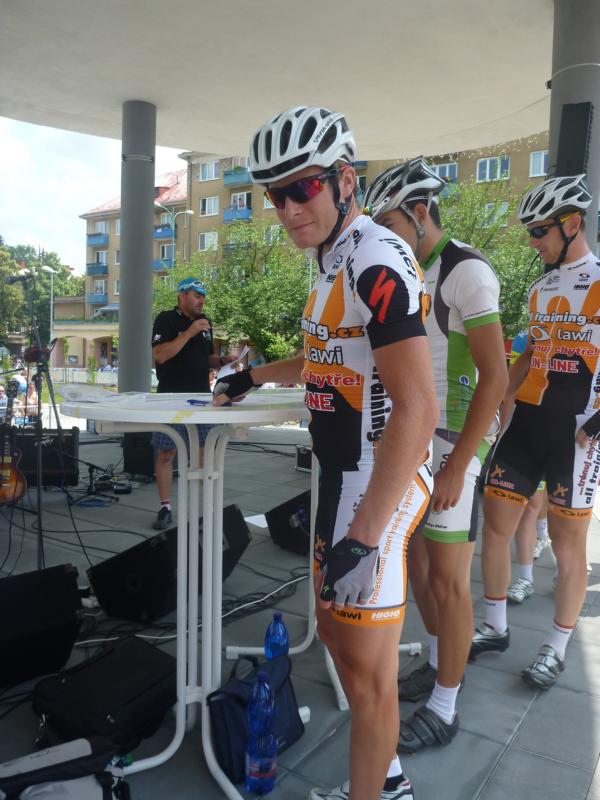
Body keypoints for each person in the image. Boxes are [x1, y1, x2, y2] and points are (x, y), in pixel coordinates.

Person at [213, 106, 438, 800]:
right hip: (339, 480)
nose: (286, 209)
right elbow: (326, 356)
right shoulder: (329, 258)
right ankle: (387, 780)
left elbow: (419, 410)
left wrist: (365, 537)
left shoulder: (376, 258)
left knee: (368, 683)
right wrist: (251, 376)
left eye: (301, 188)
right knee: (340, 643)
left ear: (344, 180)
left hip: (377, 486)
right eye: (274, 194)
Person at [363, 159, 507, 754]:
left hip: (455, 445)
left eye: (392, 223)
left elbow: (496, 377)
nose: (386, 236)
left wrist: (457, 464)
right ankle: (437, 657)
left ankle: (446, 706)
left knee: (448, 580)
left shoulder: (467, 270)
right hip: (418, 438)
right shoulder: (407, 270)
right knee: (418, 566)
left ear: (421, 213)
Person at [471, 174, 600, 689]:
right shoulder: (540, 288)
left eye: (539, 230)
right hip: (526, 424)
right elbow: (528, 356)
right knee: (495, 524)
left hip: (577, 434)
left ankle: (557, 646)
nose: (532, 241)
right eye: (529, 231)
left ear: (572, 224)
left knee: (569, 547)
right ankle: (495, 625)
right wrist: (497, 400)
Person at [150, 277, 236, 530]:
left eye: (204, 296)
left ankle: (205, 508)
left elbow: (206, 358)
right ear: (182, 295)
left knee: (204, 453)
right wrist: (189, 332)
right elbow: (160, 355)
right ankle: (165, 507)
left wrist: (222, 361)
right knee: (166, 452)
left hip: (201, 397)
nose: (202, 300)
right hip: (170, 397)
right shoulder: (166, 319)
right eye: (197, 295)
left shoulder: (205, 322)